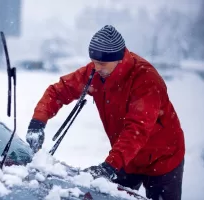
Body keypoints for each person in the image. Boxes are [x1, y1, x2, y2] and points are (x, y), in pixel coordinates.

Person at [26, 25, 185, 200]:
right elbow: (59, 91)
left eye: (101, 63)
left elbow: (137, 130)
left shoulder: (145, 80)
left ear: (118, 59)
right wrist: (37, 122)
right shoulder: (96, 71)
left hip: (162, 159)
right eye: (93, 61)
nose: (96, 67)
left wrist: (109, 167)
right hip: (126, 158)